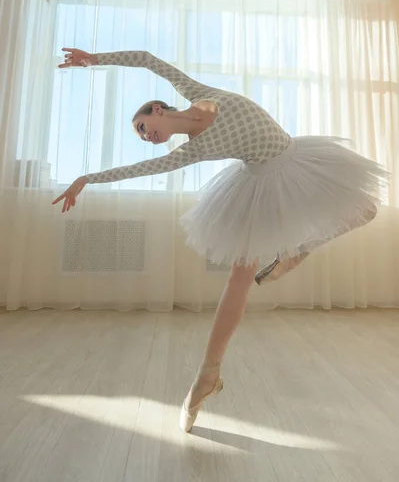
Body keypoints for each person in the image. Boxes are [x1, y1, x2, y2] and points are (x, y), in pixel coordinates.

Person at [53, 47, 389, 433]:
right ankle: (207, 375)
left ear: (157, 110)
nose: (146, 137)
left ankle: (296, 252)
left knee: (366, 209)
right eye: (142, 136)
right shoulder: (190, 151)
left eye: (143, 127)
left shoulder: (196, 90)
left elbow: (147, 58)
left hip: (297, 160)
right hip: (258, 186)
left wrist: (95, 59)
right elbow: (141, 168)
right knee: (239, 279)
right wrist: (87, 179)